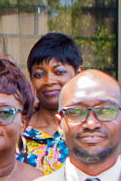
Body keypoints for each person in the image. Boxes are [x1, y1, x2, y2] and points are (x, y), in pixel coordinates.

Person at [20, 34, 83, 171]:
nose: (49, 81)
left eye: (59, 72)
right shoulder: (19, 128)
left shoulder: (89, 127)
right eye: (39, 75)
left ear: (78, 74)